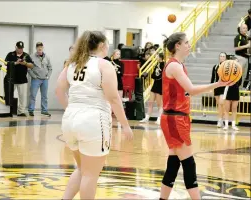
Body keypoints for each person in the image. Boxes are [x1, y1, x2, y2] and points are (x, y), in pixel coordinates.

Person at [55, 31, 133, 200]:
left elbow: (59, 90)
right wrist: (125, 125)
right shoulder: (104, 65)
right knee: (90, 174)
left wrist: (72, 109)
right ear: (102, 46)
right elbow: (113, 98)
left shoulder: (72, 64)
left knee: (82, 169)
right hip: (93, 120)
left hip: (70, 119)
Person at [159, 32, 232, 200]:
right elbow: (191, 90)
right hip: (175, 119)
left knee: (174, 164)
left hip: (177, 118)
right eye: (186, 43)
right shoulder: (174, 66)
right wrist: (218, 84)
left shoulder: (178, 65)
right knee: (189, 164)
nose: (189, 45)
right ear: (177, 46)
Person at [5, 41, 34, 116]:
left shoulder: (26, 55)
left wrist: (25, 63)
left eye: (21, 48)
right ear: (16, 47)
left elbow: (32, 65)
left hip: (22, 79)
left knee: (22, 97)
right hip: (11, 79)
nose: (20, 50)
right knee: (9, 95)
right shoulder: (11, 54)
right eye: (19, 48)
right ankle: (8, 111)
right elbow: (5, 62)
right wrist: (15, 63)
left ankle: (21, 112)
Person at [28, 42, 52, 117]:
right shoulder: (32, 57)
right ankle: (31, 110)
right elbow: (28, 68)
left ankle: (44, 111)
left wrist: (48, 76)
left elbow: (50, 68)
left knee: (44, 96)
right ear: (36, 48)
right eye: (38, 48)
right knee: (33, 95)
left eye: (41, 48)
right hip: (36, 79)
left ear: (43, 48)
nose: (39, 49)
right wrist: (33, 76)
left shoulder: (47, 57)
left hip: (45, 80)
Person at [140, 53, 164, 125]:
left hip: (160, 85)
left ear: (160, 57)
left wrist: (157, 76)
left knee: (159, 104)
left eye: (157, 56)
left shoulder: (163, 64)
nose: (155, 57)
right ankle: (147, 117)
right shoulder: (157, 64)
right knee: (150, 102)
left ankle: (159, 118)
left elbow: (160, 76)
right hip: (155, 84)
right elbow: (153, 75)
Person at [223, 58, 242, 131]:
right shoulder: (227, 72)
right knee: (226, 109)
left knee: (234, 109)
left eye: (237, 62)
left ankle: (233, 125)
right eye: (234, 62)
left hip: (236, 91)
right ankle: (226, 125)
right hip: (228, 90)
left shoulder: (239, 73)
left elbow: (240, 83)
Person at [210, 52, 227, 127]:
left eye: (223, 56)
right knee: (219, 105)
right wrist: (211, 87)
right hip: (217, 87)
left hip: (224, 87)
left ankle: (220, 120)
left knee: (221, 103)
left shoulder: (228, 67)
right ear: (219, 57)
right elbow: (212, 78)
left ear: (225, 58)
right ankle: (221, 120)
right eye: (221, 56)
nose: (222, 57)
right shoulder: (215, 66)